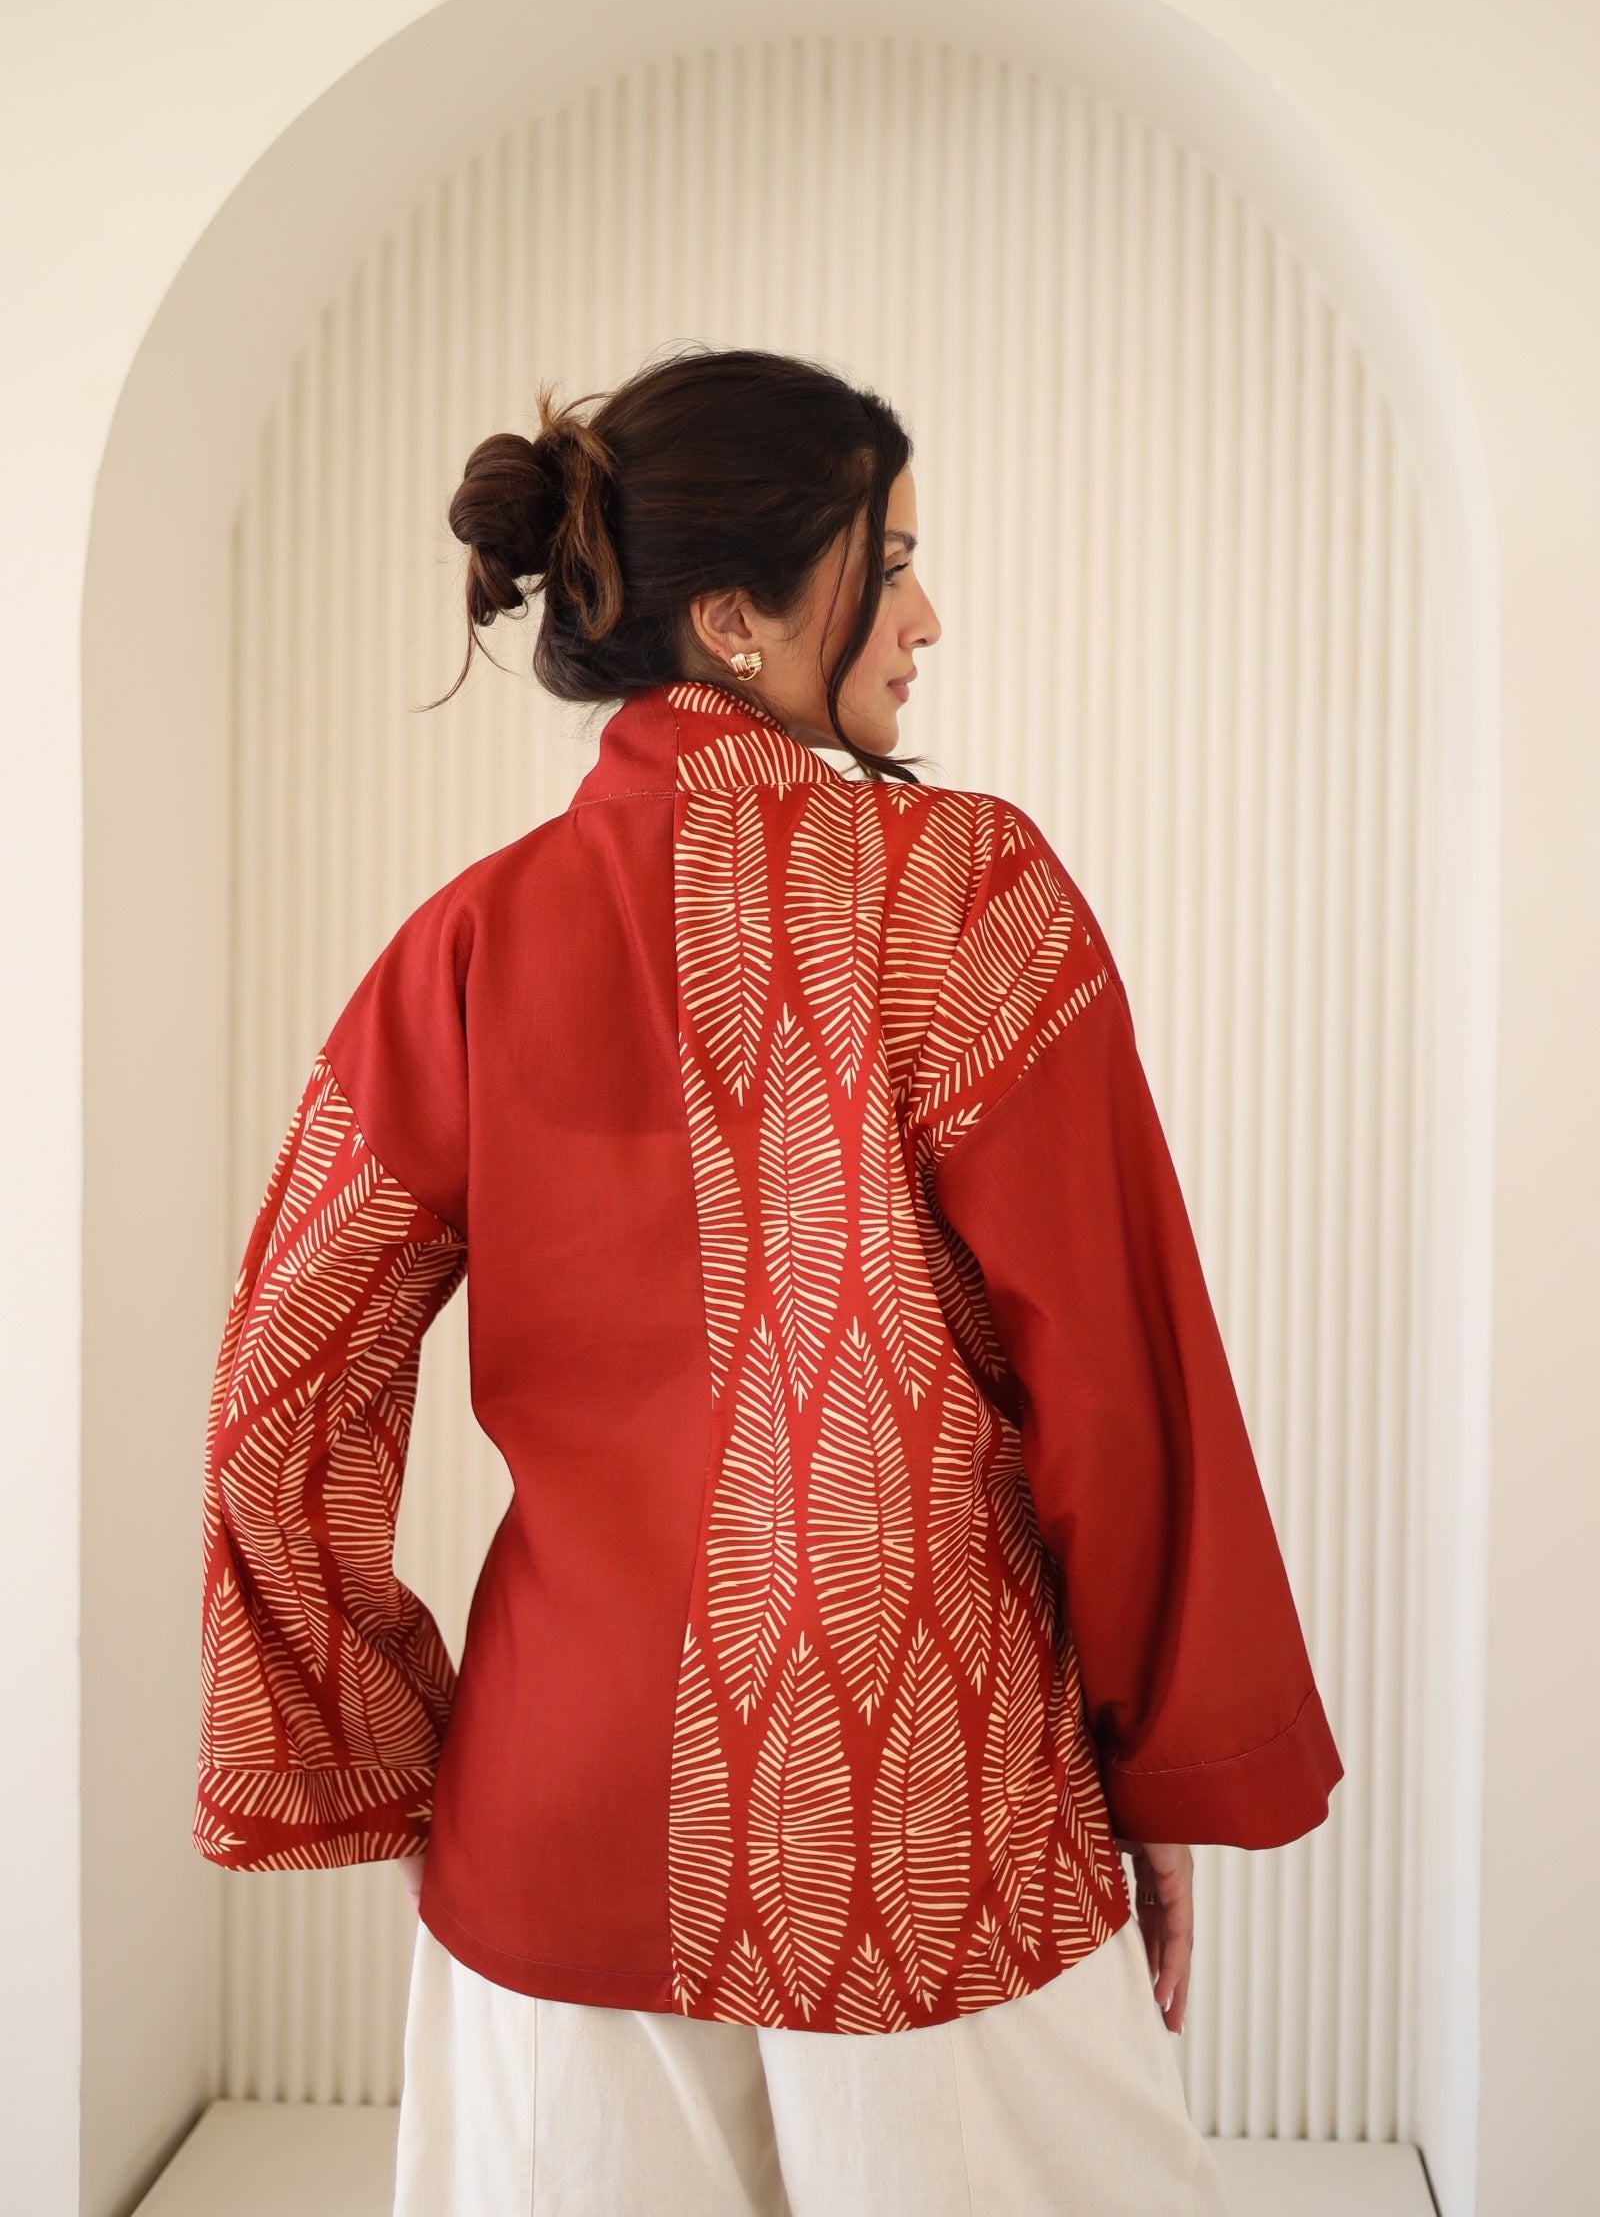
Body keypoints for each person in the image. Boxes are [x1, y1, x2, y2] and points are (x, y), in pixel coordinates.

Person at [192, 344, 1342, 2215]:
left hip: (558, 1809)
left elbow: (282, 1397)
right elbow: (1119, 1390)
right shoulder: (967, 900)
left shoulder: (466, 946)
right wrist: (1155, 1775)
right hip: (925, 1811)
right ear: (735, 617)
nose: (928, 617)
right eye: (892, 564)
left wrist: (396, 1763)